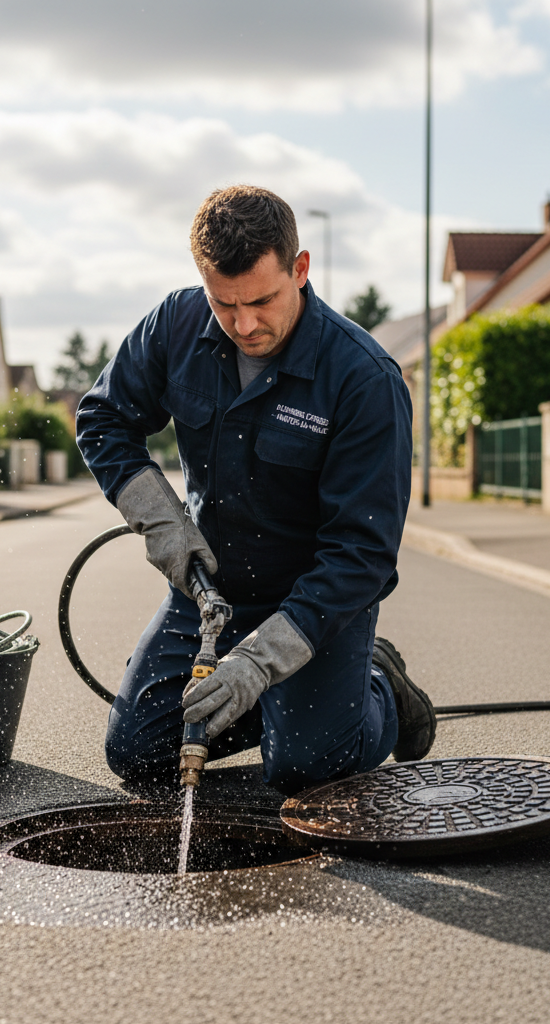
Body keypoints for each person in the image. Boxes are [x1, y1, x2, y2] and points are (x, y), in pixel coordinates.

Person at [75, 185, 435, 795]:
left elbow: (364, 555)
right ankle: (285, 707)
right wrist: (163, 524)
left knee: (304, 768)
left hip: (314, 606)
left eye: (262, 301)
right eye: (224, 304)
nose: (244, 324)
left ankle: (379, 689)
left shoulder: (363, 380)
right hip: (213, 592)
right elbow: (102, 419)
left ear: (300, 269)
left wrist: (261, 662)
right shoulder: (177, 324)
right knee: (138, 752)